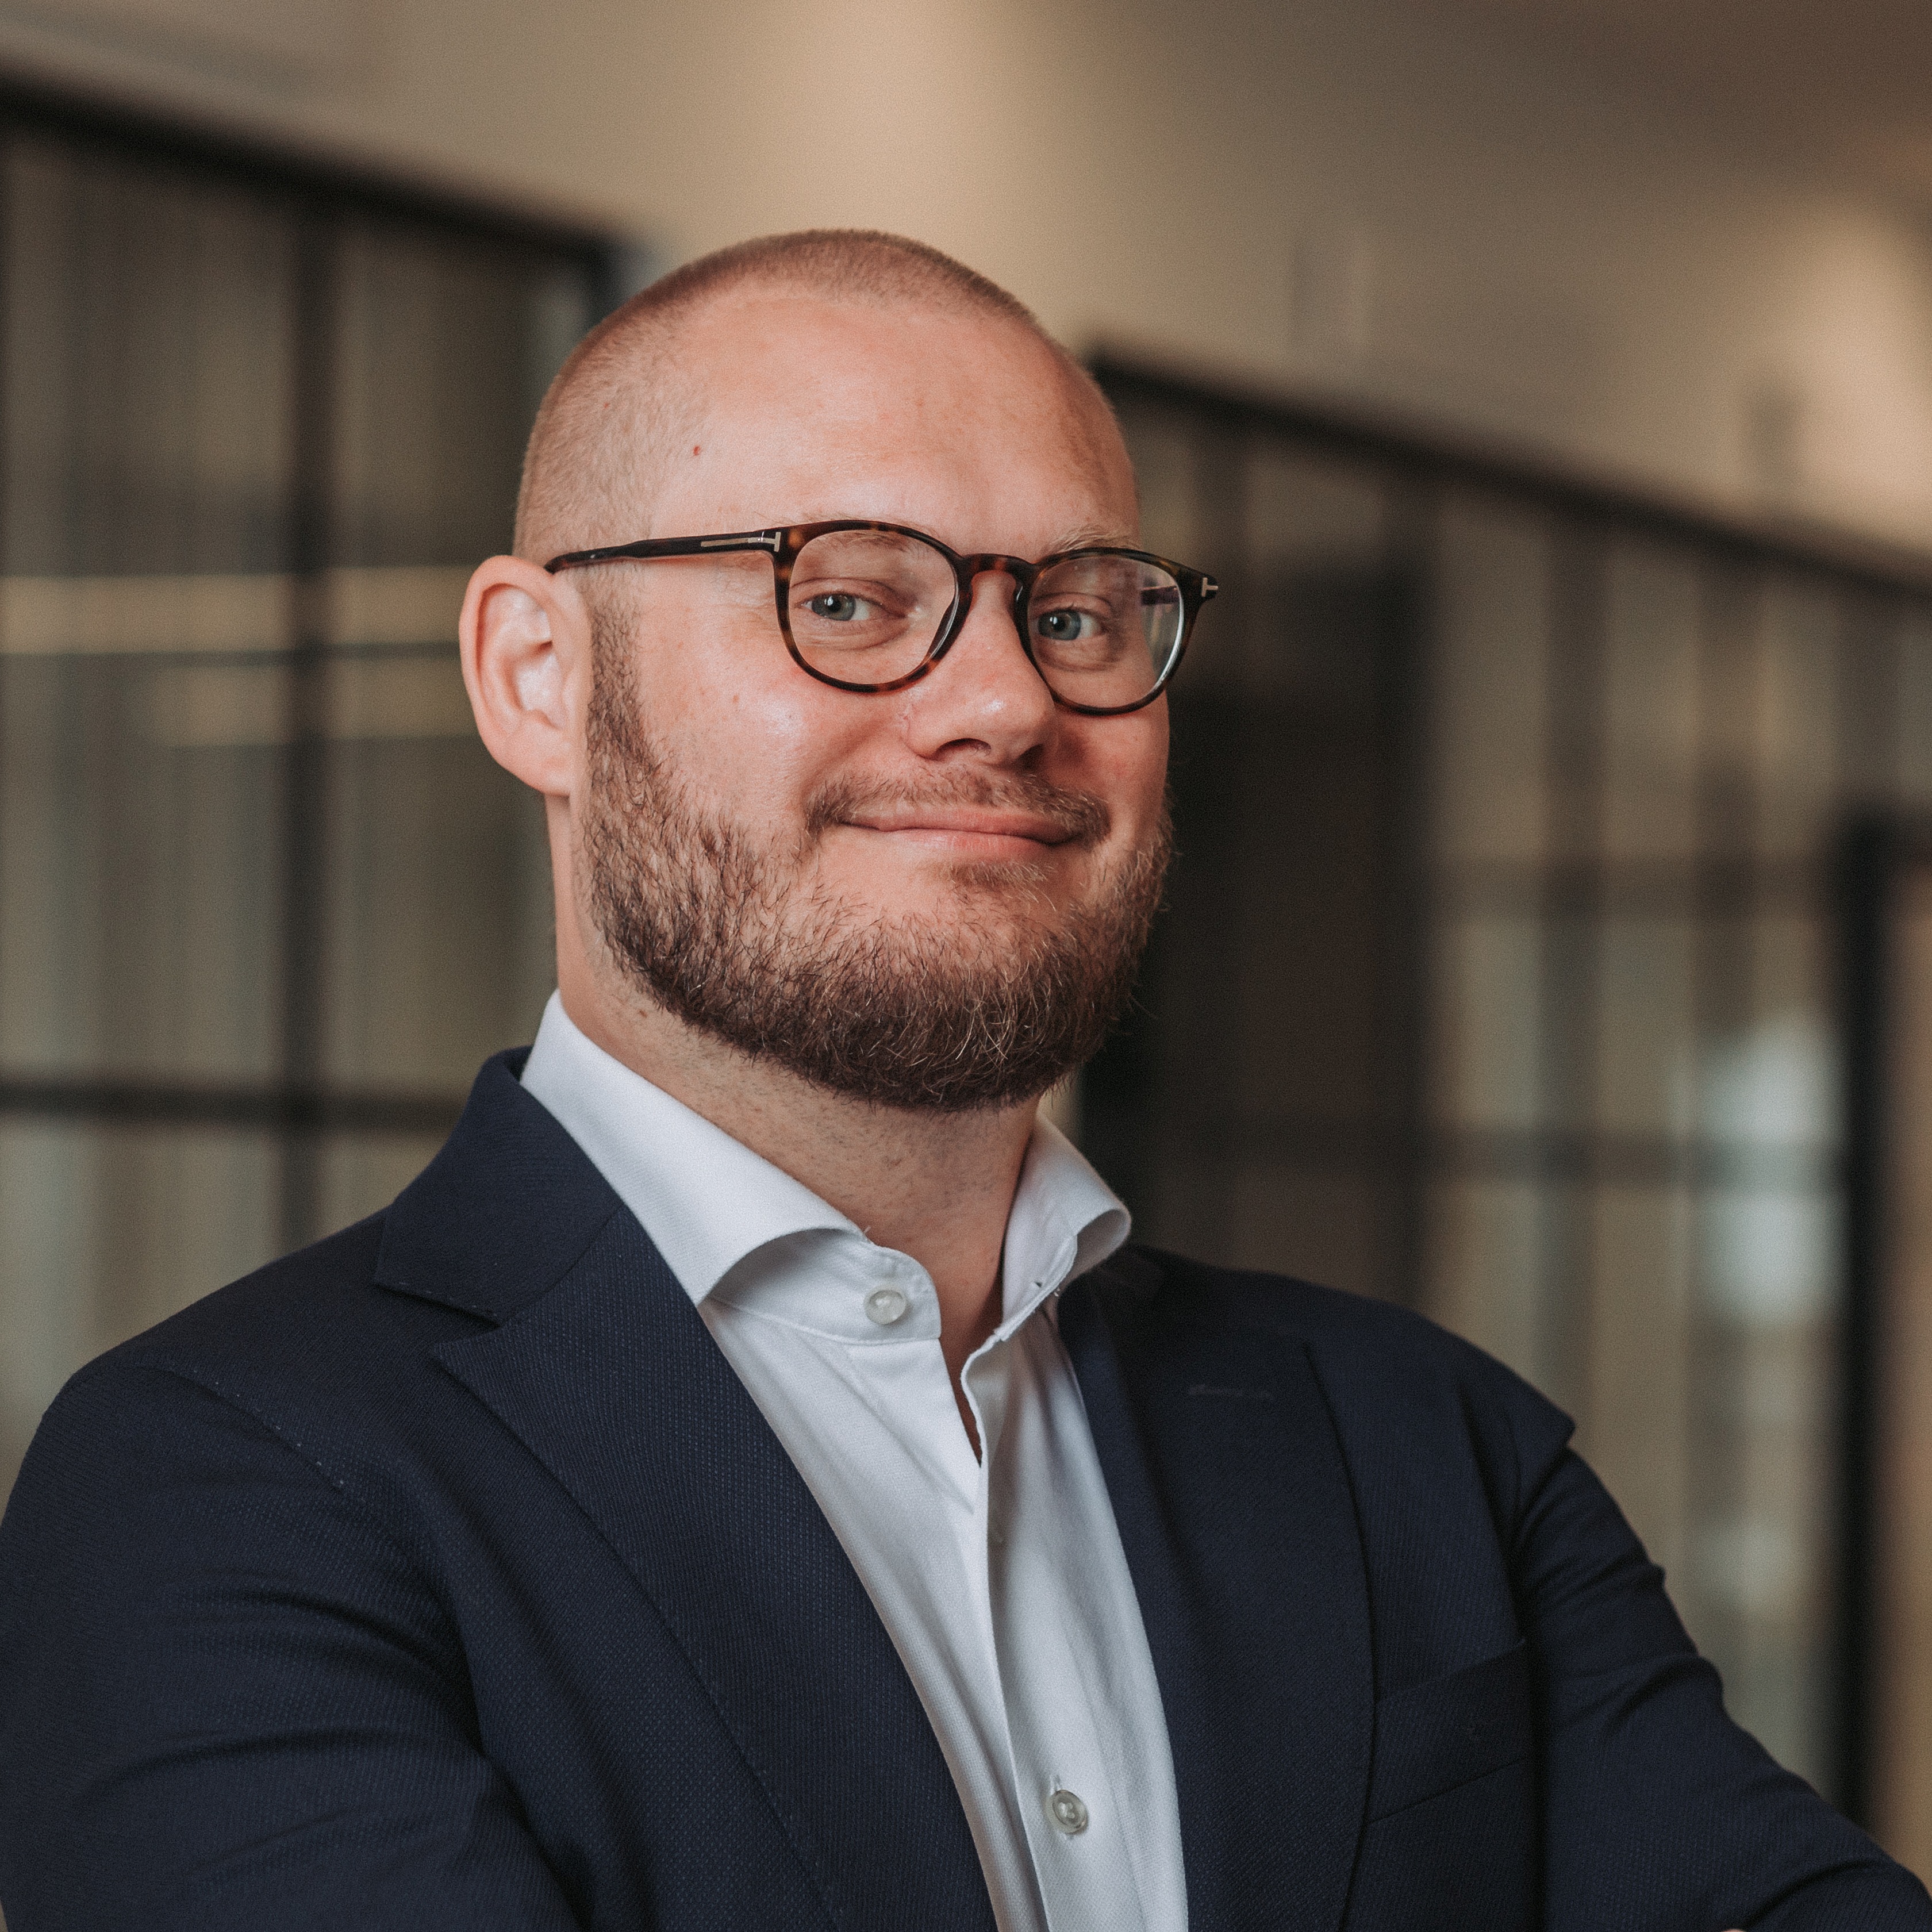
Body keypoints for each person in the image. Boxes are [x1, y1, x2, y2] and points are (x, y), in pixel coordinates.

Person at [0, 231, 1923, 1932]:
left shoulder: (1425, 1445)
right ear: (536, 677)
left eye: (1076, 611)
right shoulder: (226, 1484)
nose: (1007, 699)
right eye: (843, 597)